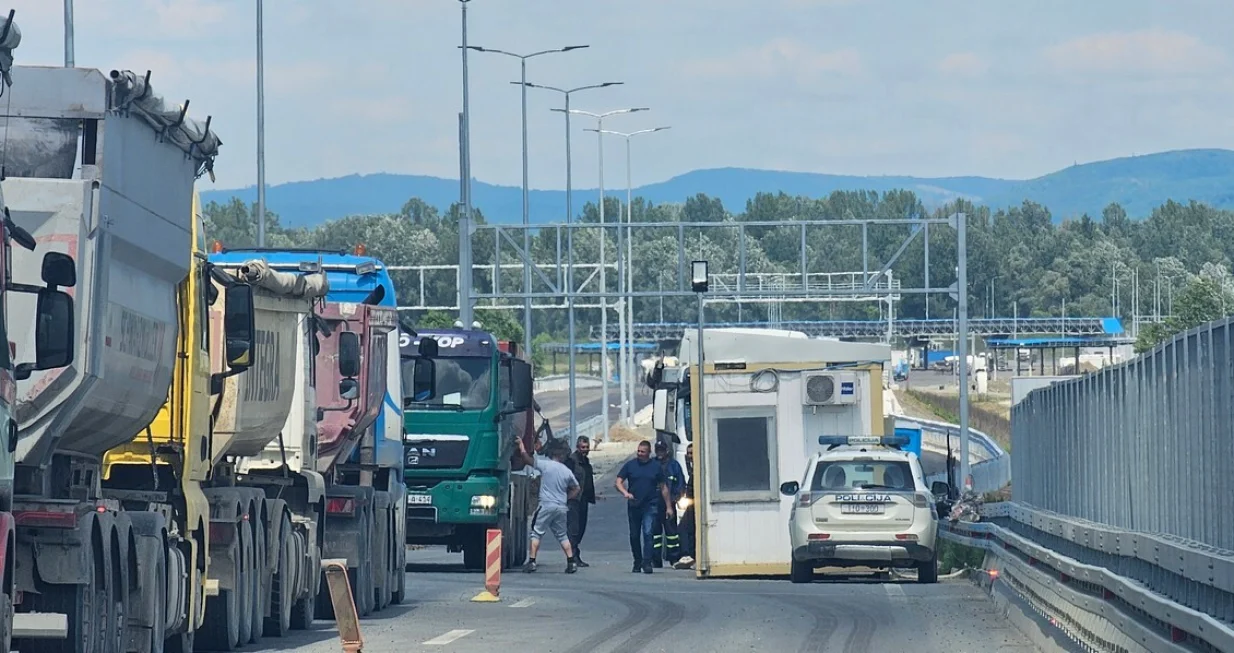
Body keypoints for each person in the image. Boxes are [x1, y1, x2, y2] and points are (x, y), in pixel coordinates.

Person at [514, 437, 580, 573]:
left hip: (547, 505)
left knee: (536, 532)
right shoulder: (567, 471)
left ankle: (532, 561)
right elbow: (576, 488)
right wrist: (566, 498)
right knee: (562, 535)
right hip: (561, 507)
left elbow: (527, 460)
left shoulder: (546, 465)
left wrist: (521, 446)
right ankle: (571, 562)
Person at [616, 440, 673, 574]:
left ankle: (647, 562)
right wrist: (625, 493)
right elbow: (618, 481)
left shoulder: (656, 467)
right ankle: (637, 561)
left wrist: (668, 506)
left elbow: (664, 487)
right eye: (638, 451)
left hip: (650, 505)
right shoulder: (630, 466)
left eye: (642, 452)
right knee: (634, 535)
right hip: (634, 505)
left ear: (648, 453)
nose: (639, 454)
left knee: (648, 533)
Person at [650, 440, 686, 567]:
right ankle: (656, 560)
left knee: (672, 534)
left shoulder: (674, 465)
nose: (660, 452)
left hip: (669, 504)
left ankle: (674, 558)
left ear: (667, 451)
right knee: (655, 534)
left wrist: (676, 498)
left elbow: (680, 483)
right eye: (658, 450)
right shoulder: (652, 464)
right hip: (654, 504)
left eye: (662, 450)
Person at [563, 436, 596, 567]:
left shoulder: (586, 462)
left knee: (581, 528)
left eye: (587, 447)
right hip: (573, 500)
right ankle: (572, 557)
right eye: (583, 447)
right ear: (577, 447)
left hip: (584, 500)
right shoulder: (571, 461)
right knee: (574, 529)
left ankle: (575, 554)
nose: (585, 450)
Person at [673, 443, 696, 569]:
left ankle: (690, 555)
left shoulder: (699, 468)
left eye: (692, 453)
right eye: (688, 453)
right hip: (691, 503)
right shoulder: (691, 467)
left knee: (686, 528)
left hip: (697, 504)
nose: (690, 456)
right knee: (685, 528)